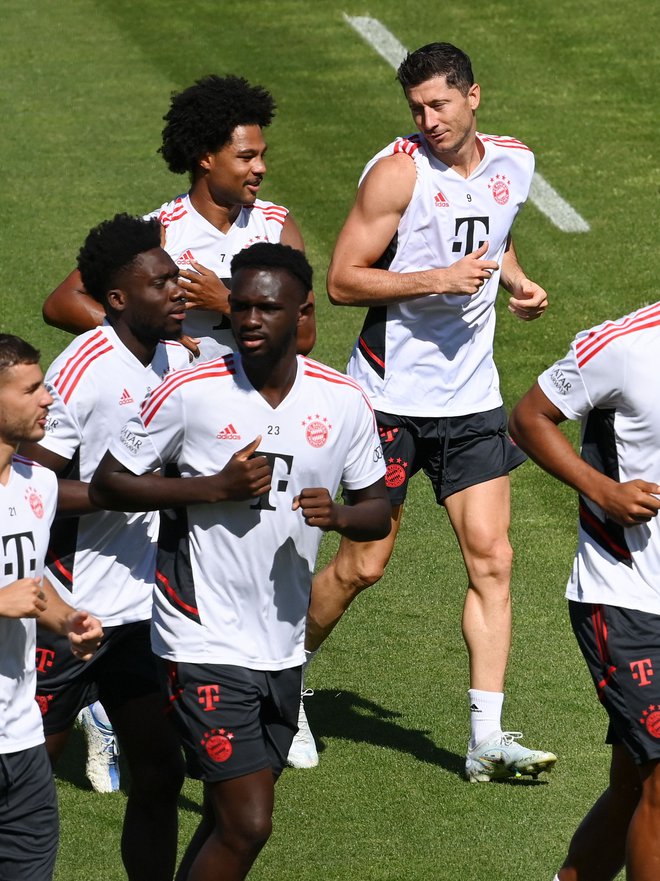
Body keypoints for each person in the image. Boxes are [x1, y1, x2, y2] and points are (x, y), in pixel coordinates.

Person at [293, 41, 556, 781]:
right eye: (416, 108)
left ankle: (485, 738)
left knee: (494, 560)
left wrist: (517, 280)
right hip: (388, 401)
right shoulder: (397, 173)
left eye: (439, 104)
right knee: (363, 563)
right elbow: (343, 280)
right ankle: (280, 682)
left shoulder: (515, 163)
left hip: (471, 401)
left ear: (475, 97)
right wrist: (436, 277)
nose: (427, 119)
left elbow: (493, 229)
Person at [90, 242, 391, 881]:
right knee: (251, 820)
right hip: (199, 632)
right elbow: (113, 482)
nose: (249, 320)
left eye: (266, 308)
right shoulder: (190, 391)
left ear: (303, 313)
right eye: (240, 306)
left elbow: (377, 508)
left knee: (230, 821)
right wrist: (211, 488)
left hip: (283, 641)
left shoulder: (342, 401)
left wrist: (338, 517)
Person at [20, 214, 201, 881]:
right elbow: (29, 486)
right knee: (23, 785)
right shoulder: (86, 369)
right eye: (160, 282)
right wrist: (112, 495)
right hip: (66, 612)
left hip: (138, 613)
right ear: (119, 298)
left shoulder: (177, 359)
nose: (178, 289)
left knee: (158, 773)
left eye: (175, 275)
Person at [509, 302, 660, 881]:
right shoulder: (623, 346)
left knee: (631, 786)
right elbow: (528, 418)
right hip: (626, 595)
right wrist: (606, 492)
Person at [42, 74, 315, 354]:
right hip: (179, 396)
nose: (261, 168)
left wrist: (228, 304)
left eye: (262, 155)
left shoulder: (277, 226)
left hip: (255, 396)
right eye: (246, 157)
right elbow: (62, 302)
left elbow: (304, 339)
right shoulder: (158, 232)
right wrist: (147, 334)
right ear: (206, 158)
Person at [0, 334, 102, 881]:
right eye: (33, 389)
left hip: (19, 734)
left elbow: (31, 587)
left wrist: (67, 620)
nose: (49, 400)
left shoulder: (39, 484)